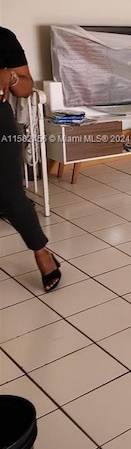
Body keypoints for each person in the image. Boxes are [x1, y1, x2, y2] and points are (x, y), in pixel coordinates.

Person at [0, 27, 61, 292]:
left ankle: (41, 251)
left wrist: (10, 76)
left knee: (11, 195)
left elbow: (25, 88)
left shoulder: (2, 38)